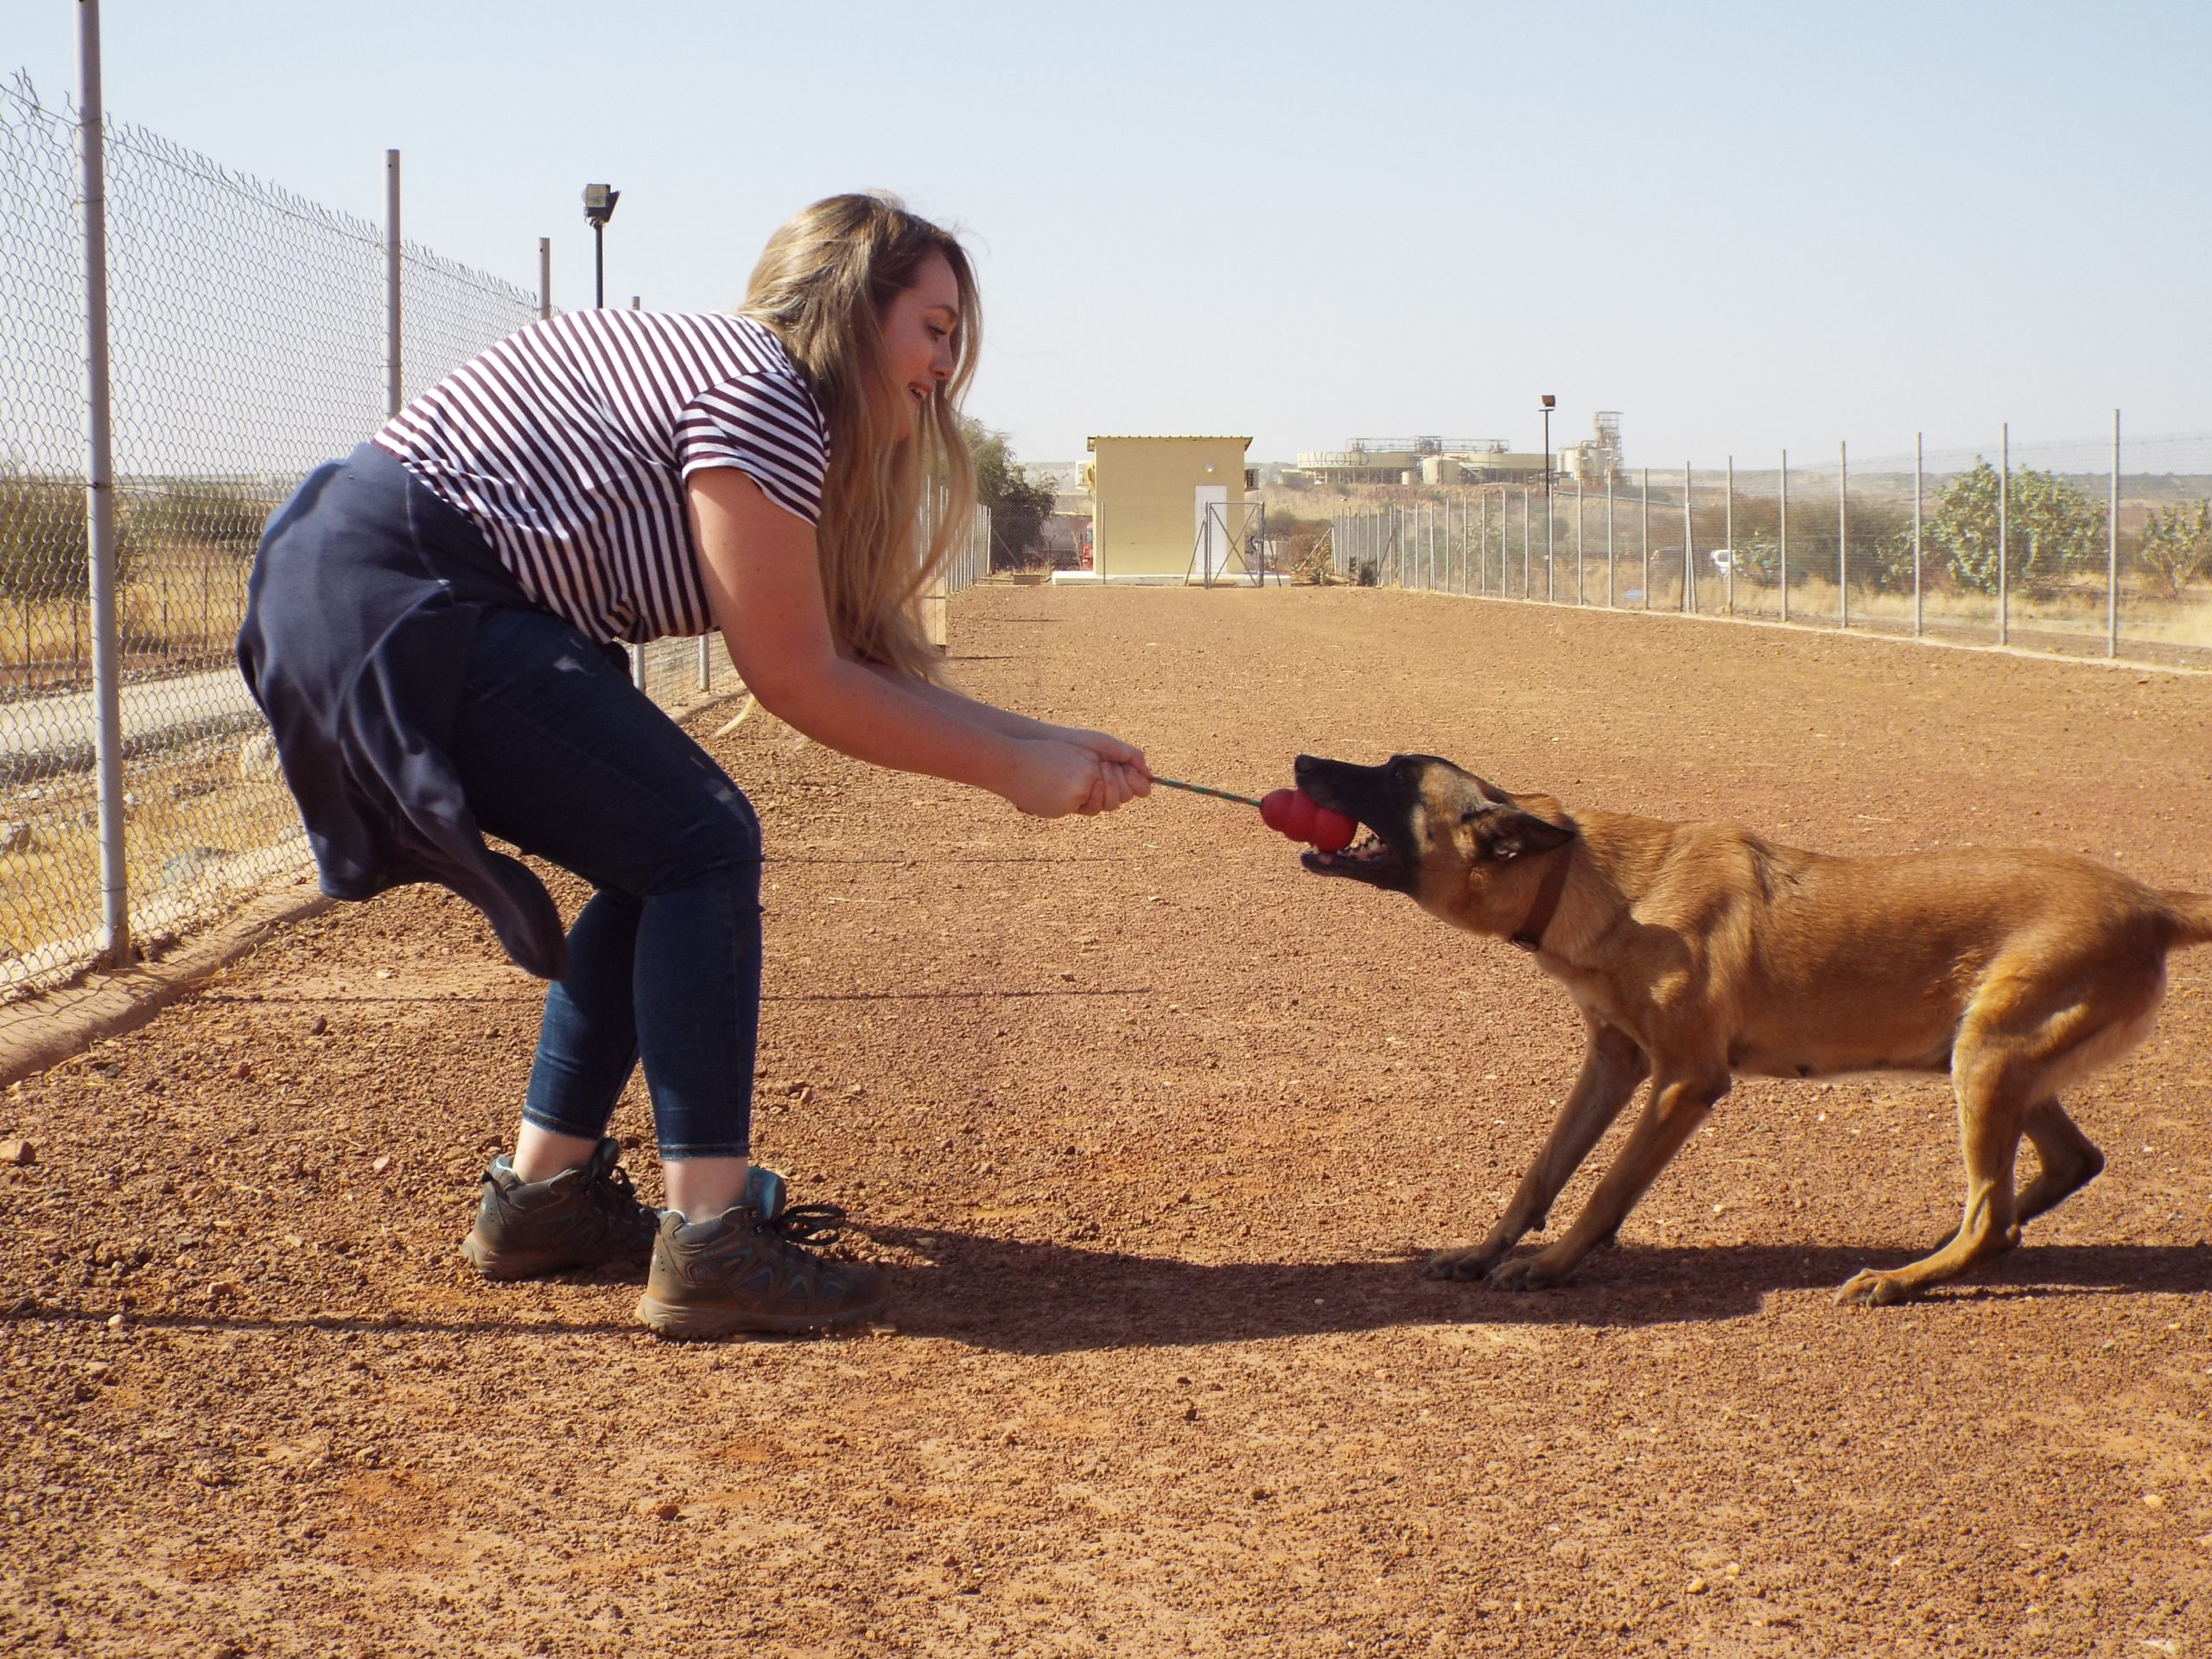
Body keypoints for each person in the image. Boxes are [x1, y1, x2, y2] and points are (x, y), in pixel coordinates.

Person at [238, 194, 1150, 1338]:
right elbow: (800, 682)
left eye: (956, 336)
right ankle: (710, 1236)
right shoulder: (766, 389)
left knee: (656, 849)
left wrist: (1042, 743)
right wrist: (1010, 774)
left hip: (369, 582)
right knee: (702, 840)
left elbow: (848, 661)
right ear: (850, 307)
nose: (946, 363)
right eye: (931, 325)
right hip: (401, 589)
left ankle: (544, 1199)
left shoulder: (755, 390)